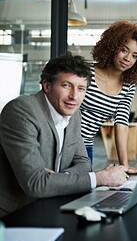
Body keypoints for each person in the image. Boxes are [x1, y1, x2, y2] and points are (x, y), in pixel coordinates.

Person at [0, 52, 129, 218]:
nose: (74, 96)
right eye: (66, 86)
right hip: (14, 214)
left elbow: (84, 164)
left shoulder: (74, 115)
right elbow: (36, 183)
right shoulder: (22, 111)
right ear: (47, 86)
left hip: (50, 205)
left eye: (81, 89)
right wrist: (99, 178)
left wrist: (58, 179)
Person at [80, 20, 137, 174]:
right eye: (124, 50)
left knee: (80, 191)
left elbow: (121, 123)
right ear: (112, 47)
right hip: (60, 141)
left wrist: (124, 165)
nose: (128, 58)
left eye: (134, 56)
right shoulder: (86, 71)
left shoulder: (128, 85)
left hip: (85, 147)